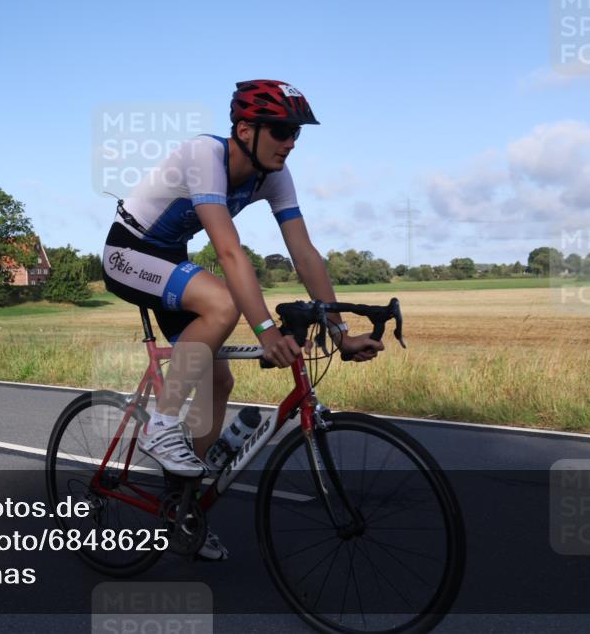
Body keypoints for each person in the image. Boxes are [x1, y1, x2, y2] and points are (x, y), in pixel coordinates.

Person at [102, 80, 384, 559]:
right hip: (127, 253)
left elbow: (304, 253)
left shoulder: (274, 175)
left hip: (169, 259)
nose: (291, 142)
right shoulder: (204, 155)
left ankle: (183, 511)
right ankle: (160, 425)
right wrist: (266, 331)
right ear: (245, 130)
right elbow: (229, 251)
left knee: (218, 381)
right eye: (281, 131)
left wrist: (340, 333)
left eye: (296, 132)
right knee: (223, 303)